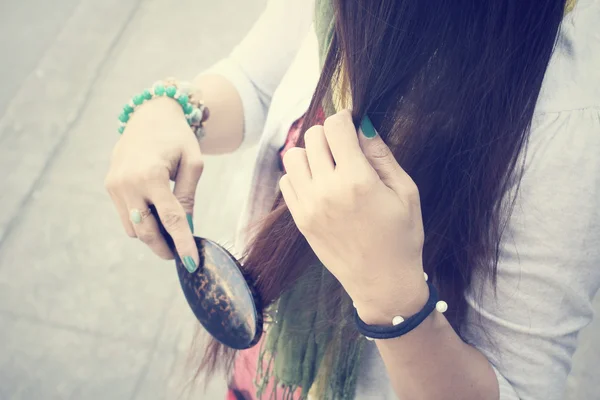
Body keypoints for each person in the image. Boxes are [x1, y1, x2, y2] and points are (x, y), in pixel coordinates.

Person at [105, 0, 600, 398]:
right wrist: (170, 112)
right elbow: (252, 79)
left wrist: (391, 292)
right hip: (266, 367)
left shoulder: (567, 127)